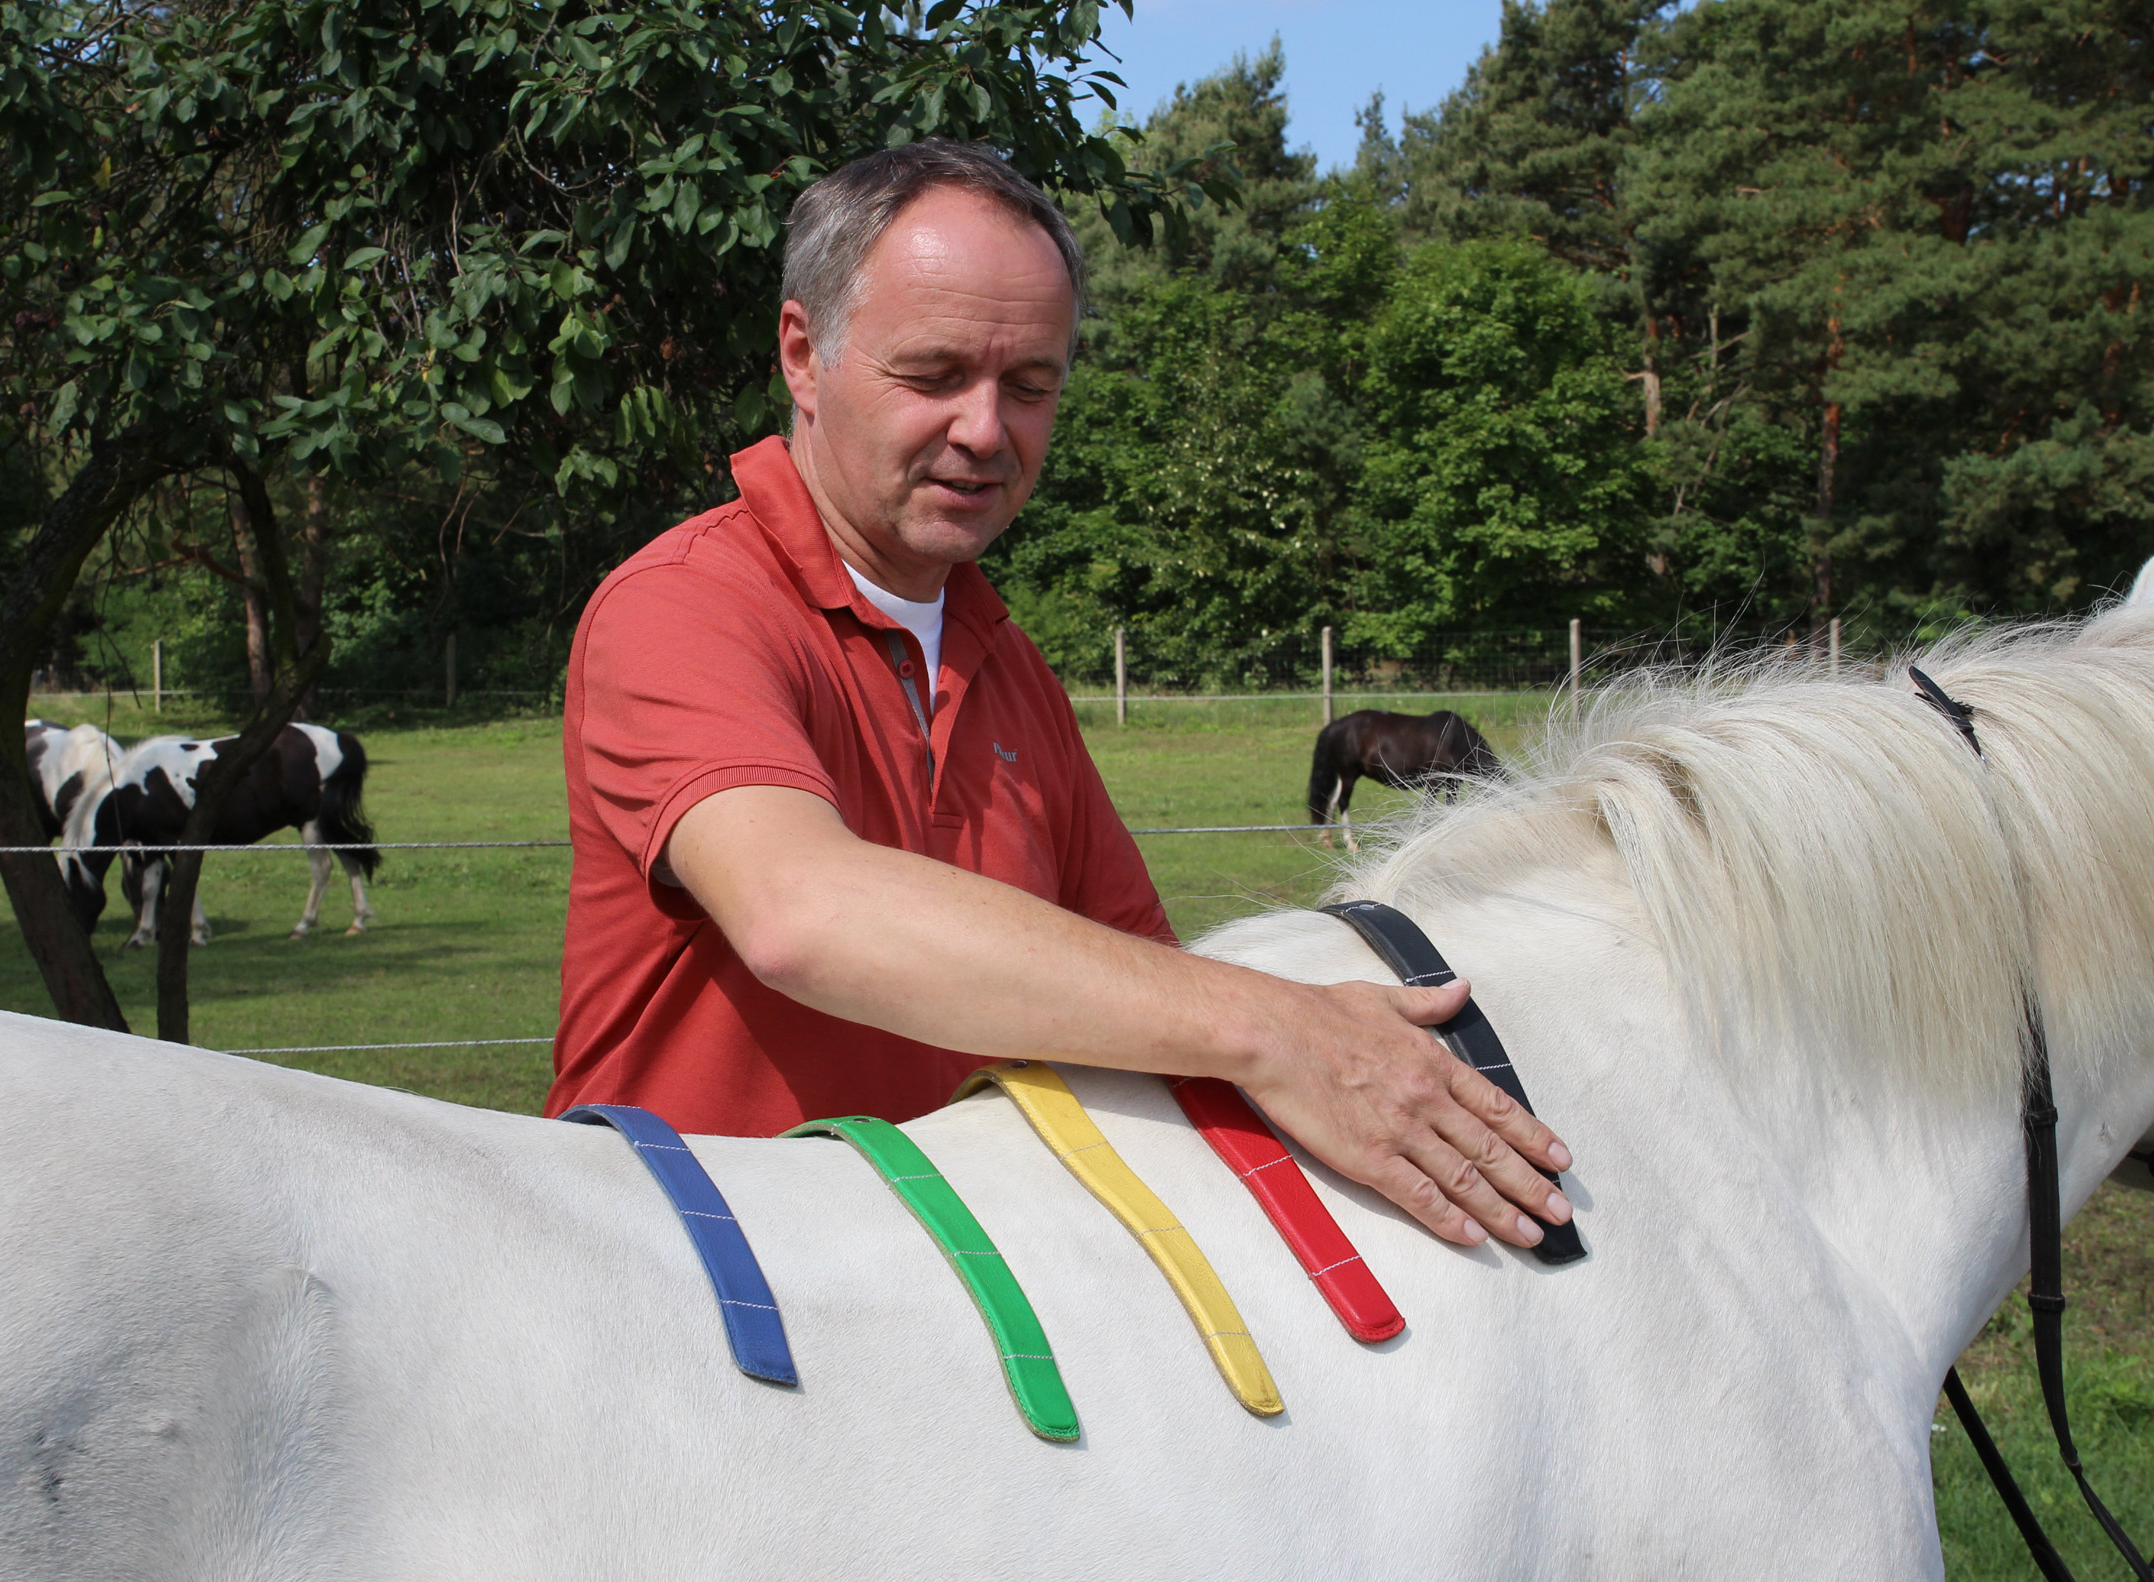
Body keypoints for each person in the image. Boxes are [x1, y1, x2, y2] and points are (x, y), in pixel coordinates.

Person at [547, 140, 1574, 1252]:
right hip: (693, 1292)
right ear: (804, 354)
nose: (987, 431)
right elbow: (802, 912)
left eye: (1031, 386)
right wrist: (1279, 1025)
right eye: (934, 375)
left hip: (963, 1297)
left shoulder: (1012, 669)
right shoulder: (683, 606)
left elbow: (1143, 975)